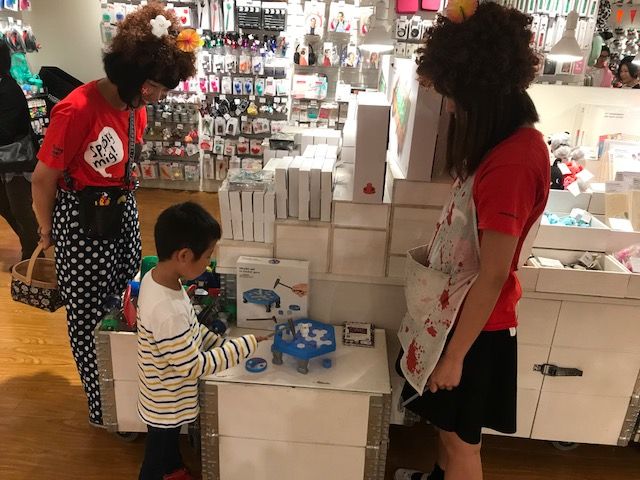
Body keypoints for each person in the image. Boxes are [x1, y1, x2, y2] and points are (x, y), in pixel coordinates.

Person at [394, 3, 550, 480]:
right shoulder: (501, 148)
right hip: (457, 317)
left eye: (456, 98)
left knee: (462, 443)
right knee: (446, 431)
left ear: (480, 94)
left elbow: (494, 272)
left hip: (475, 330)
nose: (451, 108)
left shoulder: (513, 161)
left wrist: (455, 356)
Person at [31, 2, 196, 427]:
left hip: (122, 215)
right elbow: (42, 179)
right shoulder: (76, 110)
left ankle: (129, 395)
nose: (159, 97)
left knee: (128, 303)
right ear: (133, 73)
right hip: (81, 225)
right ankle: (102, 406)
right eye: (155, 87)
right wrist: (47, 233)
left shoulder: (134, 107)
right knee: (88, 318)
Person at [137, 202, 265, 480]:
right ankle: (164, 471)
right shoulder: (167, 311)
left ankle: (173, 470)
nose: (208, 263)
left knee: (168, 443)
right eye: (207, 256)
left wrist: (217, 342)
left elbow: (191, 329)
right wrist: (242, 346)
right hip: (165, 403)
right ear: (184, 255)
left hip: (163, 393)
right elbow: (192, 366)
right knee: (155, 456)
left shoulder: (158, 279)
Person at [0, 42, 40, 263]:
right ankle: (31, 245)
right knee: (6, 206)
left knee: (20, 209)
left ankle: (33, 255)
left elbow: (5, 132)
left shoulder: (9, 90)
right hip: (6, 162)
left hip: (16, 162)